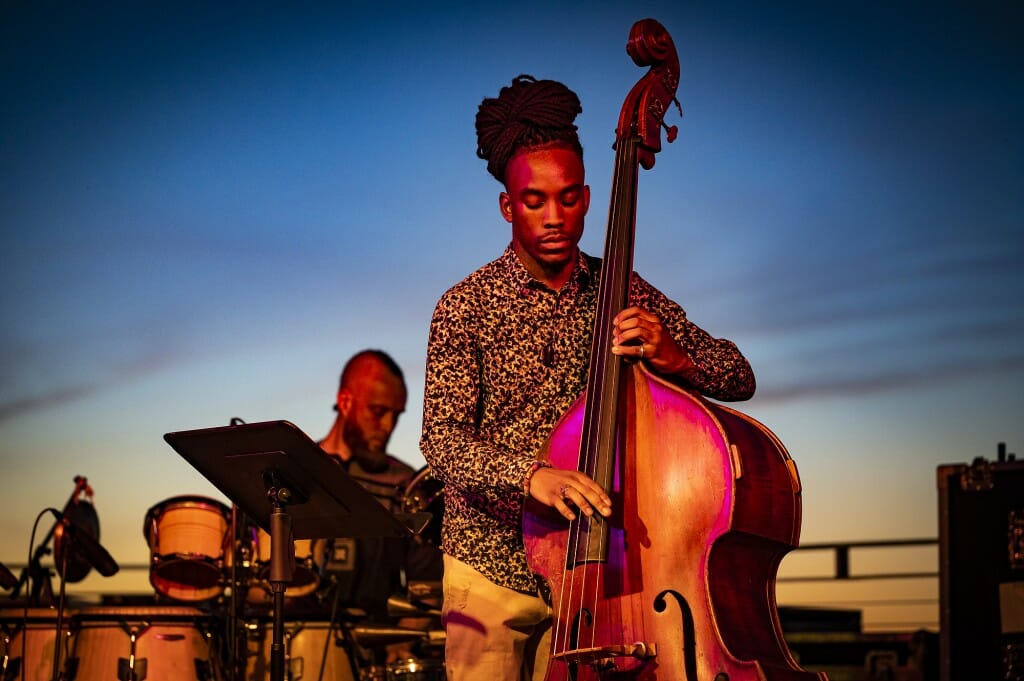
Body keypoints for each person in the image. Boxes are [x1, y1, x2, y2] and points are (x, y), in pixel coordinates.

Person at [419, 75, 756, 681]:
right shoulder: (464, 306)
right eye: (535, 201)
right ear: (507, 205)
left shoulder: (621, 287)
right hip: (488, 562)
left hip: (602, 574)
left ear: (590, 197)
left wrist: (675, 355)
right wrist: (533, 477)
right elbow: (441, 440)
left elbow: (739, 375)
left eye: (570, 198)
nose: (556, 218)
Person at [314, 350, 442, 666]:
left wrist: (400, 642)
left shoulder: (407, 487)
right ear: (345, 402)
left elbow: (429, 585)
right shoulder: (295, 474)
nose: (387, 426)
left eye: (396, 415)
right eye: (378, 411)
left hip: (375, 650)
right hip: (297, 637)